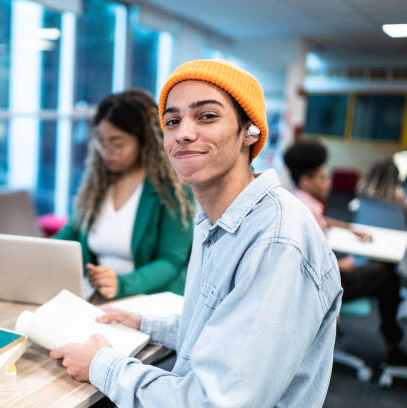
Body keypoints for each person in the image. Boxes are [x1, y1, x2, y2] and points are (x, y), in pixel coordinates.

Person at [50, 59, 342, 407]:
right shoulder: (216, 220)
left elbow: (211, 401)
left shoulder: (276, 240)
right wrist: (146, 323)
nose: (184, 132)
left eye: (207, 116)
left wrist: (103, 365)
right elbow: (222, 330)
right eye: (172, 121)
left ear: (250, 132)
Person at [54, 89, 194, 300]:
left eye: (117, 143)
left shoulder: (173, 189)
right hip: (99, 299)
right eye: (101, 141)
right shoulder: (97, 184)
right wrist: (36, 253)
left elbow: (171, 261)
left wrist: (120, 285)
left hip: (152, 302)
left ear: (145, 141)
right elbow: (70, 235)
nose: (106, 151)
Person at [284, 140, 407, 366]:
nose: (329, 183)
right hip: (323, 284)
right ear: (306, 181)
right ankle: (392, 348)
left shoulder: (294, 201)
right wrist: (342, 266)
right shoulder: (308, 214)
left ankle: (390, 343)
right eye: (323, 177)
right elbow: (305, 265)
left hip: (310, 284)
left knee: (381, 272)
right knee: (387, 274)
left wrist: (349, 228)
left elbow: (323, 221)